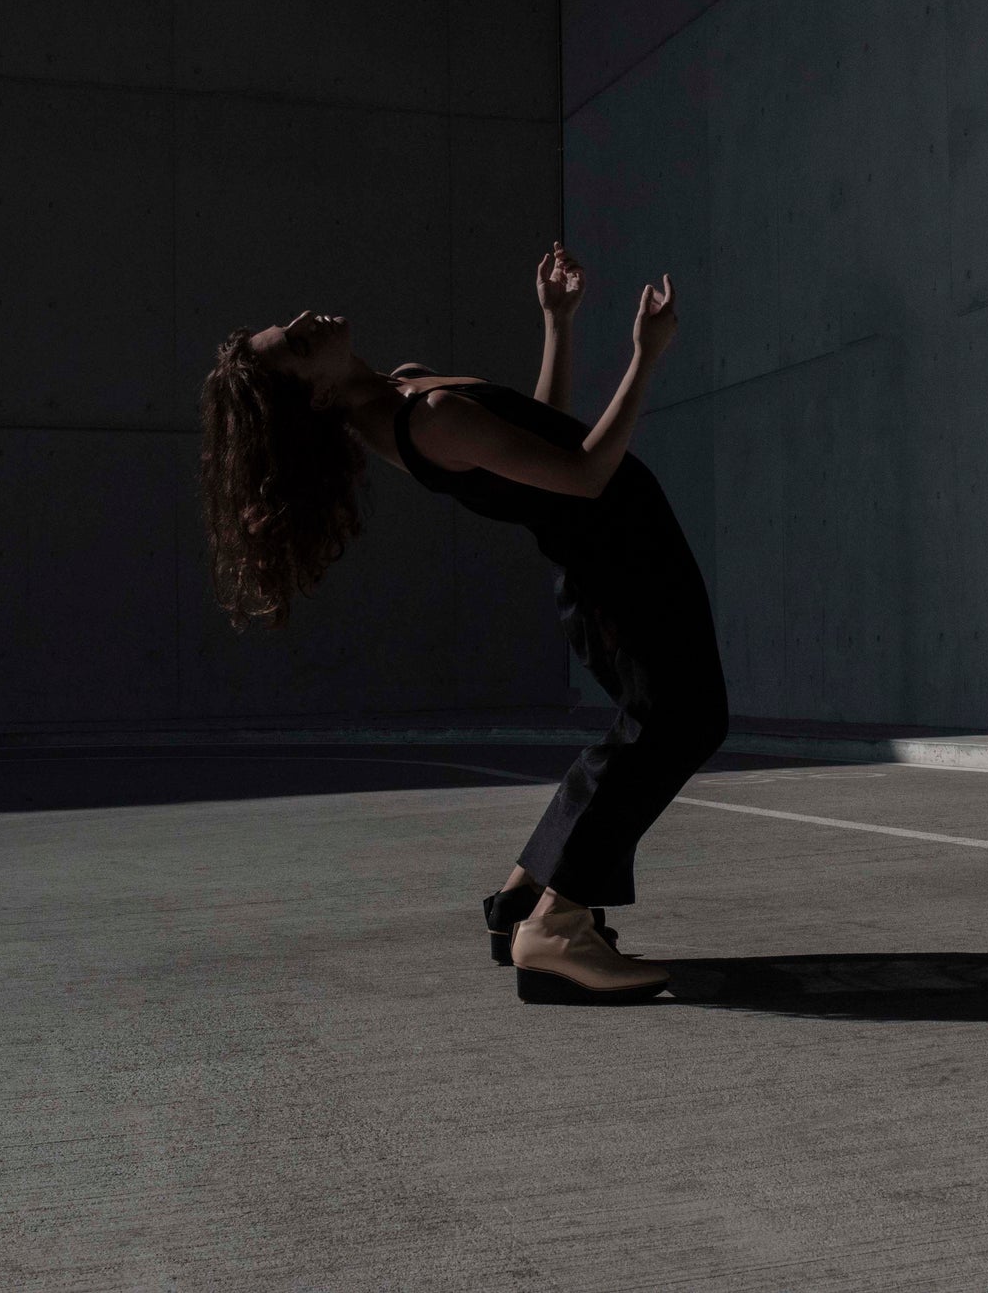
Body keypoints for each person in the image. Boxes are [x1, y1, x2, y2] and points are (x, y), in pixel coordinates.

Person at [197, 244, 728, 1005]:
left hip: (614, 555)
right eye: (301, 343)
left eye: (293, 325)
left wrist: (557, 323)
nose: (306, 320)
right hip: (619, 565)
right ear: (313, 398)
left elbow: (538, 441)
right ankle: (556, 925)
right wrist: (645, 358)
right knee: (685, 720)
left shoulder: (406, 388)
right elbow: (582, 474)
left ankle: (524, 899)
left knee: (656, 721)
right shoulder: (424, 418)